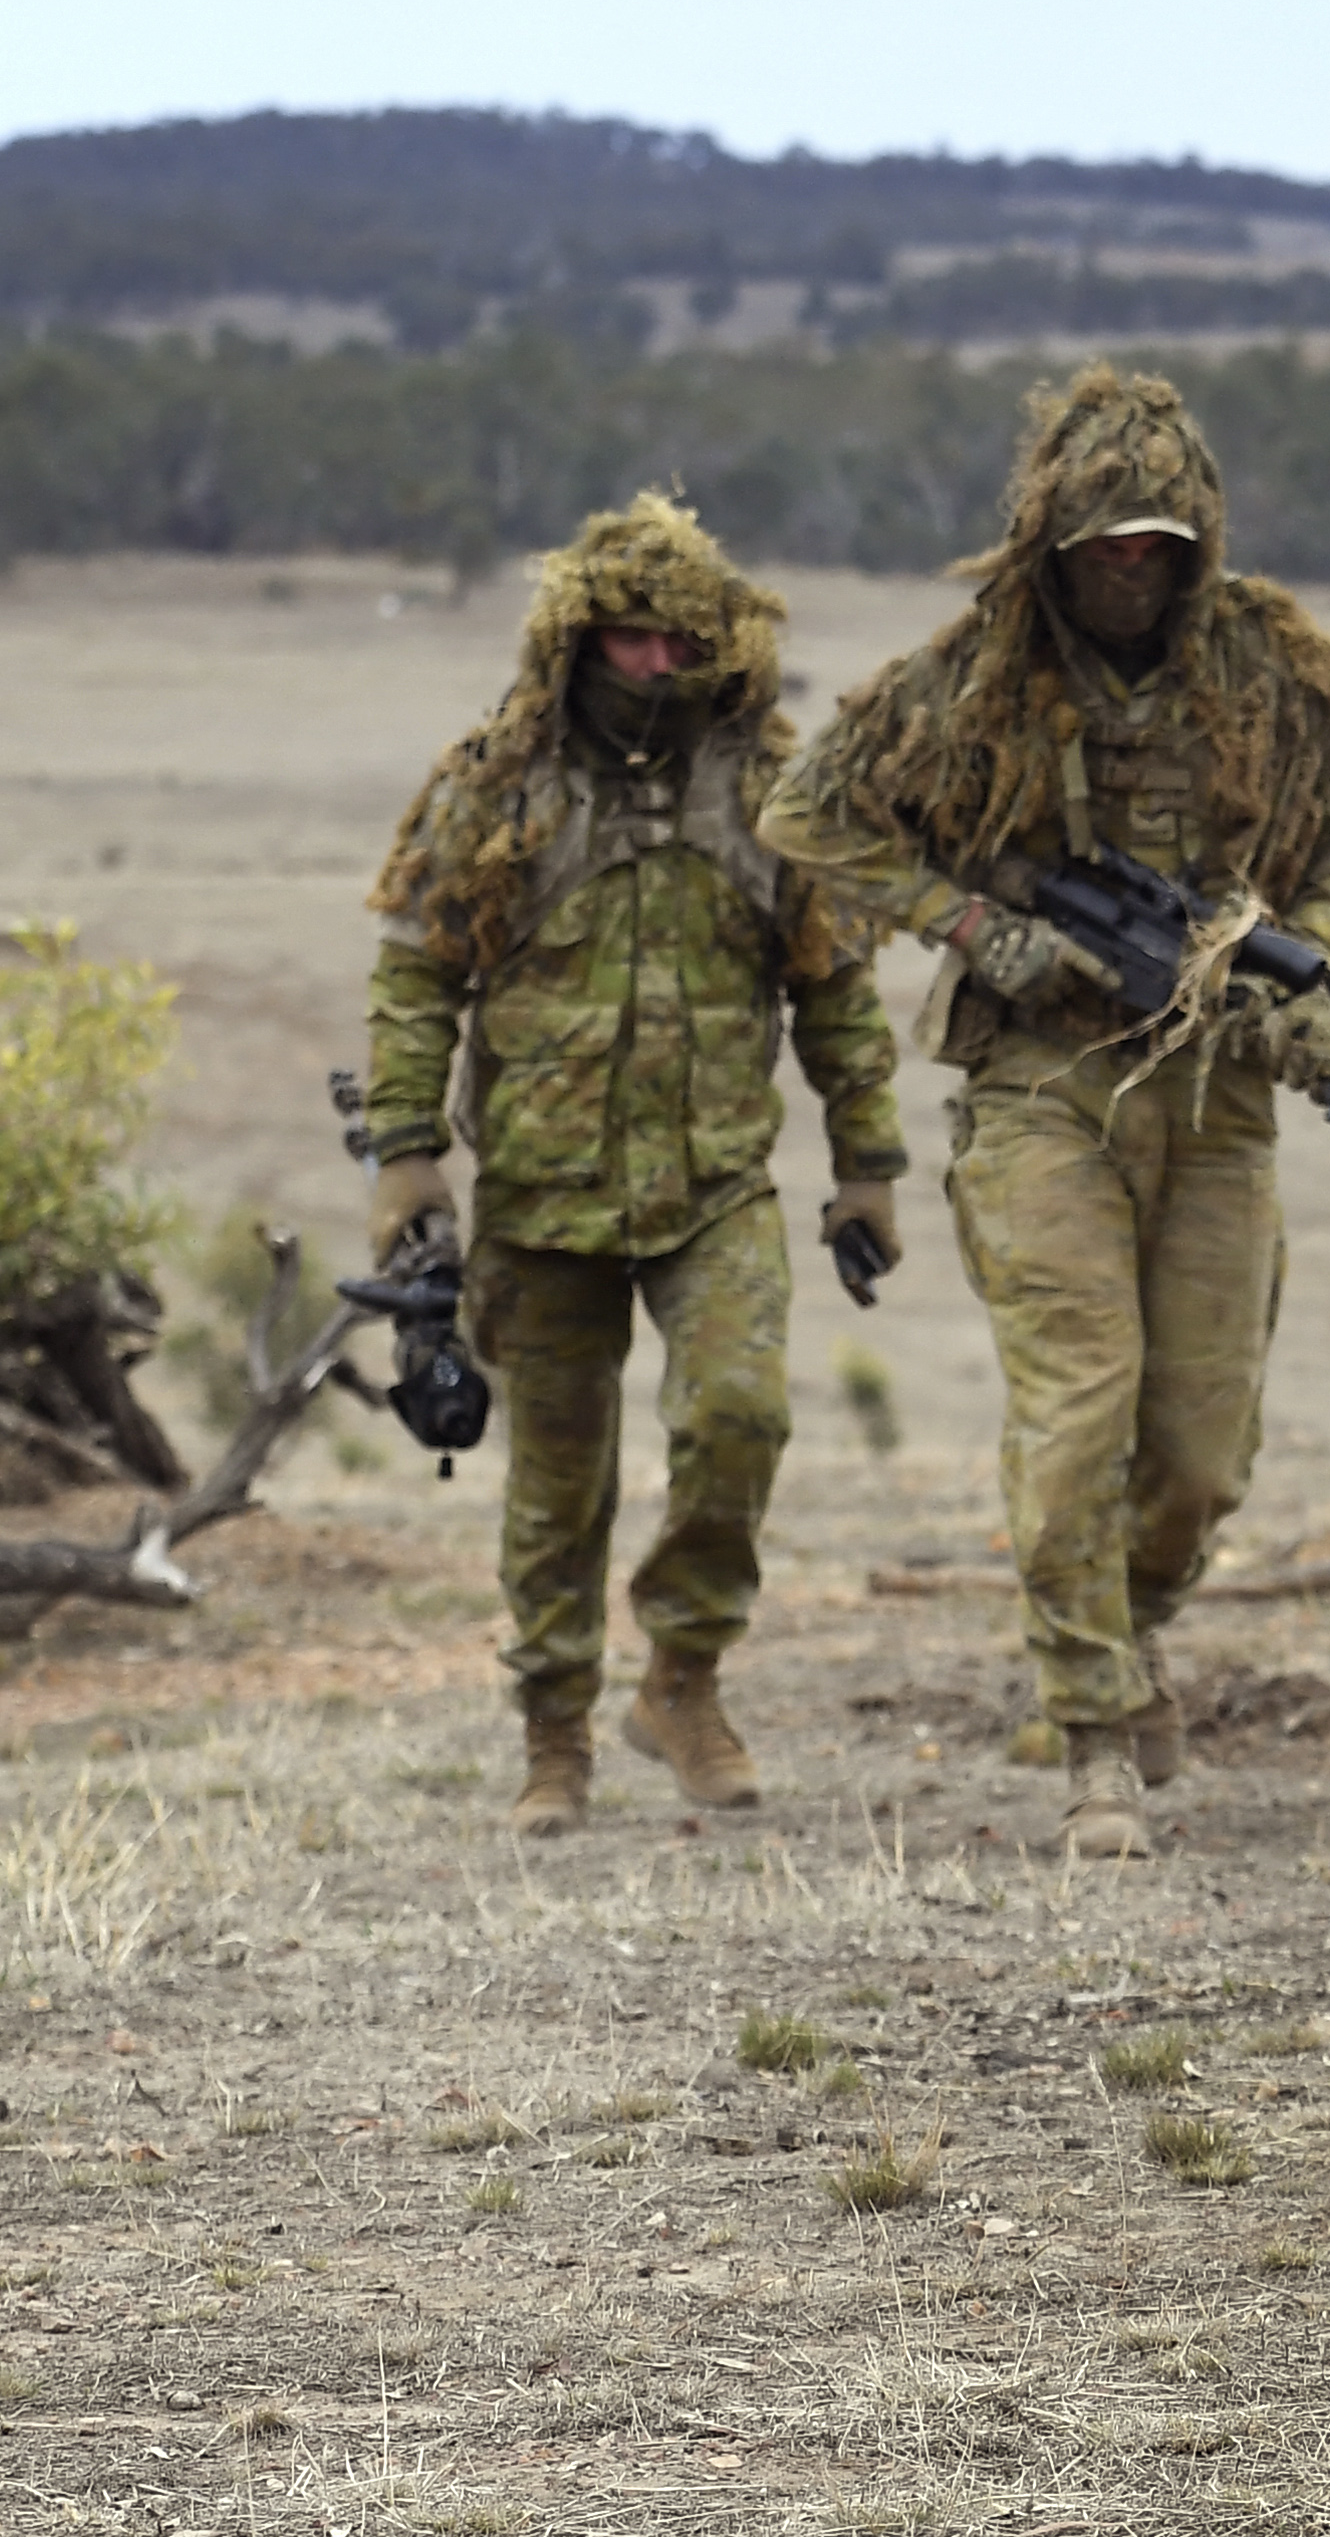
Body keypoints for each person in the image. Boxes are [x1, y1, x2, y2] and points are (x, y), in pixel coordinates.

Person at [755, 367, 1330, 1861]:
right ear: (1053, 541)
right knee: (1078, 1407)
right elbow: (808, 811)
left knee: (1201, 1449)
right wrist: (972, 926)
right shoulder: (978, 671)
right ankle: (1094, 1730)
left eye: (1156, 543)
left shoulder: (1268, 666)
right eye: (1103, 541)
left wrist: (1314, 969)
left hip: (1218, 1092)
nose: (1129, 567)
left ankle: (1135, 1629)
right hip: (1043, 1084)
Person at [360, 495, 906, 1837]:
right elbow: (419, 970)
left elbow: (834, 986)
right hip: (540, 1198)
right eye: (632, 640)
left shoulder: (774, 791)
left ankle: (683, 1678)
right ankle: (555, 1736)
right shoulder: (499, 781)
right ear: (583, 638)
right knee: (558, 1482)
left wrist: (867, 1161)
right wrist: (407, 1153)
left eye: (682, 641)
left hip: (715, 1185)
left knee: (738, 1419)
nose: (658, 665)